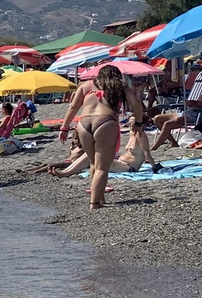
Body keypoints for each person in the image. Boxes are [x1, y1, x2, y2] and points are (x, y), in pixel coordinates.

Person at [62, 63, 150, 209]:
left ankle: (99, 198)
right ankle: (95, 203)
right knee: (102, 167)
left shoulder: (86, 85)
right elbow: (137, 104)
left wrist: (64, 128)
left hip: (84, 123)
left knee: (93, 163)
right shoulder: (119, 86)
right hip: (105, 121)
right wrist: (139, 123)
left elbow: (73, 107)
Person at [152, 65, 202, 149]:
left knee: (168, 124)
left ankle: (154, 147)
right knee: (157, 118)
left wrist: (196, 103)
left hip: (200, 115)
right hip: (190, 112)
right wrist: (192, 103)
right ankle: (174, 143)